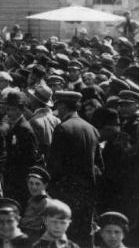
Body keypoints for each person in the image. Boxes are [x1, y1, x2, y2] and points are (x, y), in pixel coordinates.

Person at [48, 91, 102, 246]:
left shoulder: (63, 128)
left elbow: (54, 166)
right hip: (87, 194)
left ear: (63, 106)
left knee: (66, 237)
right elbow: (99, 165)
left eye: (58, 105)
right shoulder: (92, 129)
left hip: (66, 193)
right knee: (84, 236)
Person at [19, 166, 50, 241]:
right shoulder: (31, 199)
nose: (33, 187)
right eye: (31, 183)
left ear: (45, 185)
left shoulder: (46, 202)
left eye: (37, 184)